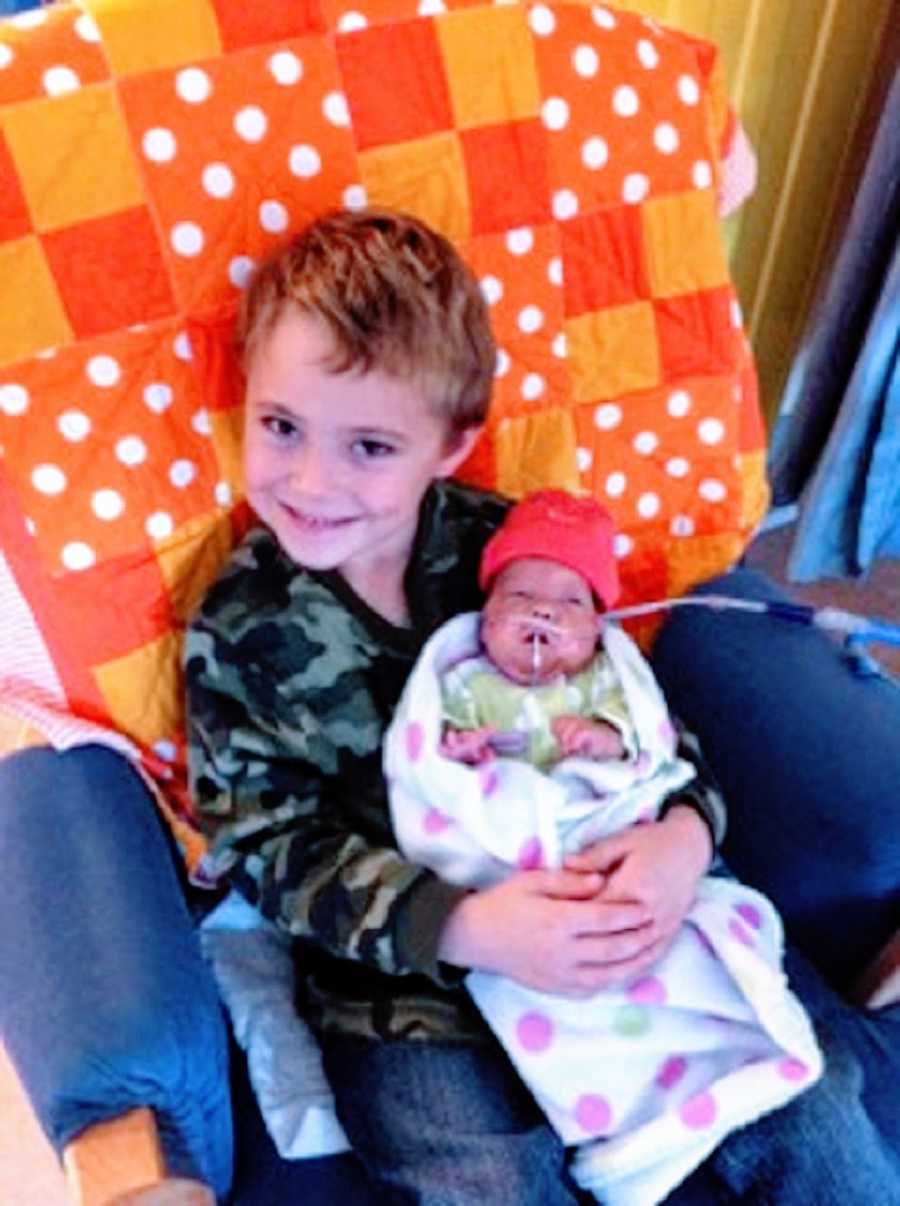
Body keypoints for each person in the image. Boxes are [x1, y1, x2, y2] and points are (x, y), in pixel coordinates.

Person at [184, 206, 900, 1204]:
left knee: (814, 1114)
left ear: (450, 443)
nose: (310, 479)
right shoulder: (242, 626)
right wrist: (468, 927)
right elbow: (267, 848)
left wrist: (684, 838)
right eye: (282, 427)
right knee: (485, 1181)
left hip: (614, 921)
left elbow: (646, 730)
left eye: (370, 447)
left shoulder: (520, 558)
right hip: (409, 994)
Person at [386, 489, 822, 1203]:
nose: (543, 614)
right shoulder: (463, 677)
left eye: (571, 605)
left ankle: (696, 1070)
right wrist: (460, 756)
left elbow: (657, 750)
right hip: (449, 917)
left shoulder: (602, 680)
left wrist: (674, 828)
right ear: (484, 613)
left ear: (600, 628)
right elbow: (430, 755)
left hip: (616, 850)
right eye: (521, 596)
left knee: (816, 1119)